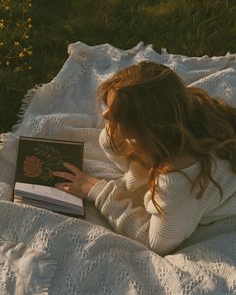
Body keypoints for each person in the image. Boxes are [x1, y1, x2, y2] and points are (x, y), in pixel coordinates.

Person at [52, 61, 236, 256]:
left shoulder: (180, 179)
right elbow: (110, 143)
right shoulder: (178, 114)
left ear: (147, 127)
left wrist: (97, 191)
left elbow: (155, 243)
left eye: (119, 115)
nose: (105, 115)